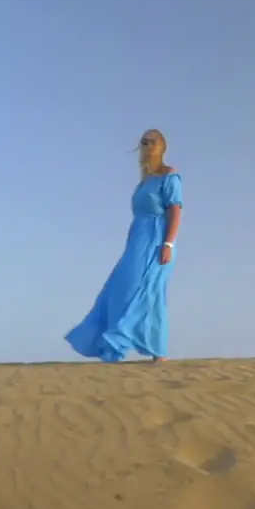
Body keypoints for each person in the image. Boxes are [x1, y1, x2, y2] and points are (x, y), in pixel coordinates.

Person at [65, 129, 183, 363]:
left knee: (150, 291)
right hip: (137, 241)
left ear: (161, 146)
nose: (146, 145)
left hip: (157, 240)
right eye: (143, 141)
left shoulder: (169, 176)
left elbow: (176, 211)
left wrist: (168, 243)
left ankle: (157, 352)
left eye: (152, 141)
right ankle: (110, 345)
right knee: (119, 288)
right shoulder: (144, 181)